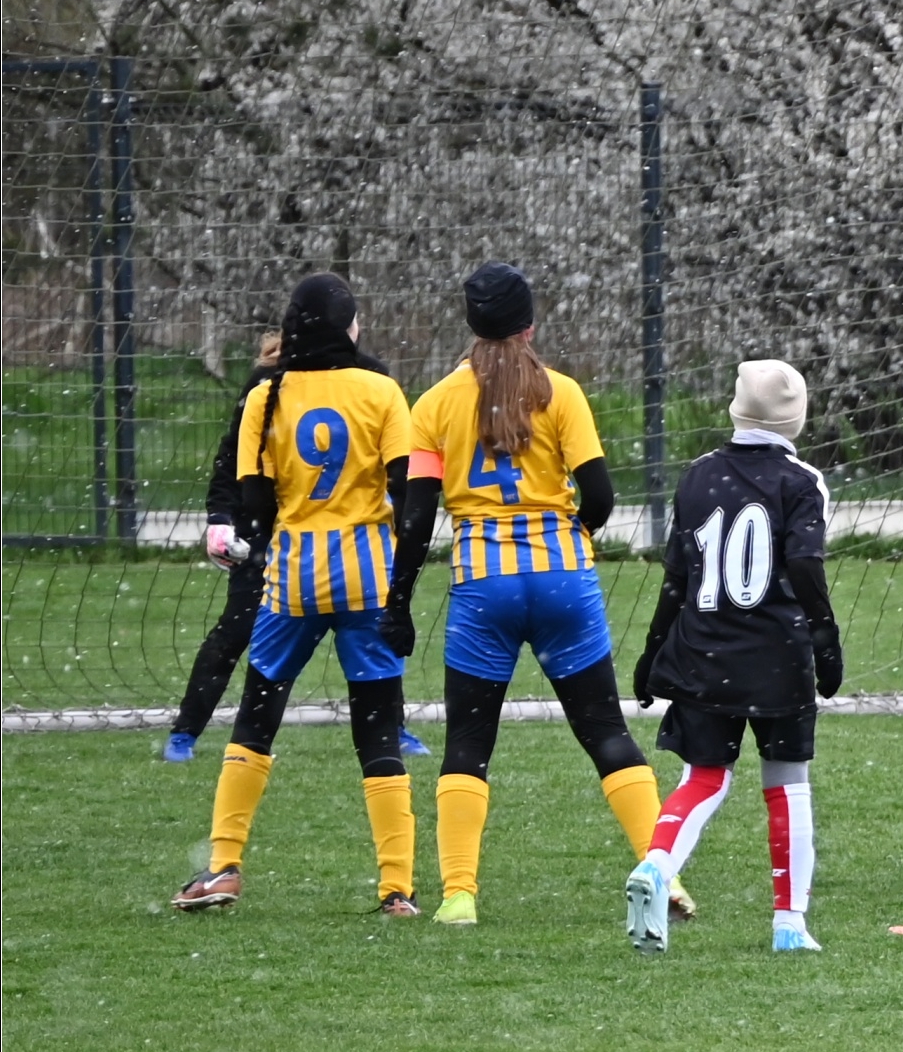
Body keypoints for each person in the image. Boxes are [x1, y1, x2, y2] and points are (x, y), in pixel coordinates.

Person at [379, 262, 684, 928]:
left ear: (471, 325)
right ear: (530, 326)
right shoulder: (562, 393)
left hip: (482, 585)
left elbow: (416, 519)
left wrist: (397, 603)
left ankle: (459, 895)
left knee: (468, 742)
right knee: (605, 731)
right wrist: (570, 535)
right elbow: (600, 496)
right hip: (563, 578)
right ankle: (665, 874)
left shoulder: (433, 404)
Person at [171, 273, 419, 915]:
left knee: (256, 721)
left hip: (294, 581)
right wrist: (397, 578)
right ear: (349, 327)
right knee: (379, 732)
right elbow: (409, 491)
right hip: (368, 578)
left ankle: (224, 866)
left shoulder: (266, 394)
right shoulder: (381, 389)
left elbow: (254, 503)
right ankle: (397, 888)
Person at [624, 359, 842, 955]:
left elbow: (676, 577)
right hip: (777, 654)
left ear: (735, 410)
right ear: (796, 419)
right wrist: (825, 638)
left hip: (704, 648)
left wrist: (652, 648)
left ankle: (657, 865)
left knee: (703, 776)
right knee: (787, 784)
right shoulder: (803, 481)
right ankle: (789, 924)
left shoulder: (697, 475)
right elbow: (805, 564)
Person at [163, 333, 430, 764]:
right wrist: (220, 516)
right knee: (237, 630)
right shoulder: (266, 387)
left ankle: (391, 727)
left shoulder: (371, 377)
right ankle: (186, 731)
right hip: (278, 537)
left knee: (375, 633)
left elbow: (394, 467)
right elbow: (234, 457)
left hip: (351, 543)